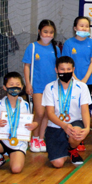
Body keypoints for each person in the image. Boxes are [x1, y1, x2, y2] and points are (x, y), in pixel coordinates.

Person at [0, 72, 38, 173]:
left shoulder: (25, 105)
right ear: (4, 87)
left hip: (18, 143)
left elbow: (30, 122)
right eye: (11, 85)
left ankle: (14, 155)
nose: (14, 87)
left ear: (22, 87)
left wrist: (34, 125)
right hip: (1, 140)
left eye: (17, 84)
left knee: (16, 169)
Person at [43, 56, 91, 167]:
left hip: (75, 123)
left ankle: (72, 149)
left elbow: (84, 111)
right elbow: (49, 113)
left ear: (73, 70)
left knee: (77, 132)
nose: (65, 72)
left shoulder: (82, 87)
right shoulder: (49, 87)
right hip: (55, 125)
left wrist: (87, 128)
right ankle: (61, 148)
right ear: (56, 70)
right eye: (62, 69)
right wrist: (64, 126)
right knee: (58, 163)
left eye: (68, 69)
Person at [23, 19, 59, 153]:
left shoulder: (55, 49)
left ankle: (41, 138)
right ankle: (34, 137)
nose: (48, 35)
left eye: (51, 32)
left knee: (47, 114)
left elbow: (58, 67)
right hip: (37, 86)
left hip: (51, 87)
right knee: (39, 112)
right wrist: (28, 83)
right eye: (45, 32)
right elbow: (26, 66)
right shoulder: (32, 47)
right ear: (39, 32)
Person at [62, 16, 92, 101]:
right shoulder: (68, 43)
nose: (84, 28)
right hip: (70, 79)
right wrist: (75, 79)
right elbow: (66, 64)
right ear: (75, 28)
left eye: (87, 26)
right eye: (81, 26)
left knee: (85, 105)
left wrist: (85, 79)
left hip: (88, 80)